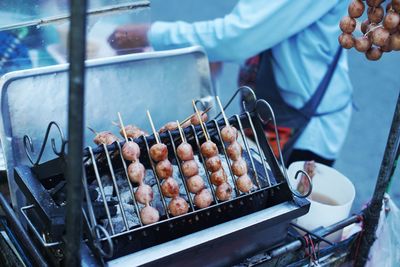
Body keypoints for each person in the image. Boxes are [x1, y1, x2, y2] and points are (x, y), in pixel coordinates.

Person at [108, 0, 353, 167]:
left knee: (289, 222)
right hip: (269, 110)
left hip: (305, 130)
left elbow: (237, 37)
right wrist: (214, 51)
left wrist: (147, 34)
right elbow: (262, 22)